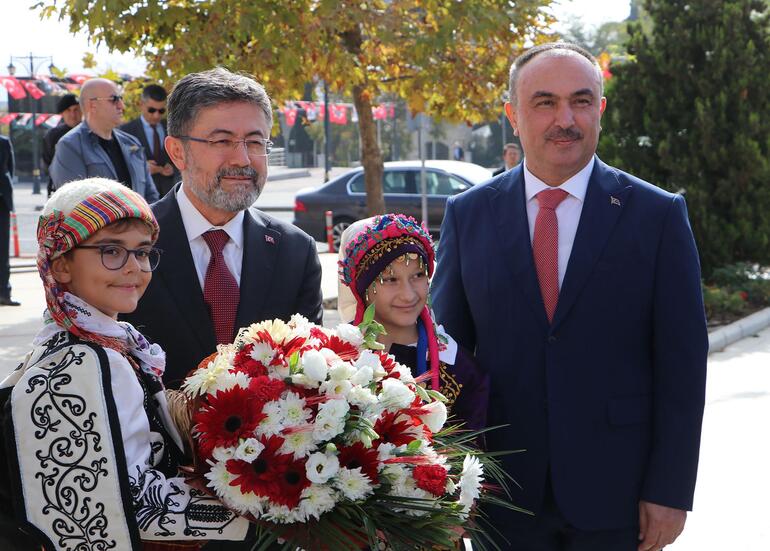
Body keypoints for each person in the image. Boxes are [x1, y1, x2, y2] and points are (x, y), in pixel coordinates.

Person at [431, 42, 708, 551]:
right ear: (513, 115)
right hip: (501, 494)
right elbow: (449, 361)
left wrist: (670, 490)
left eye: (581, 101)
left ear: (600, 109)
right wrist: (443, 486)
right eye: (545, 102)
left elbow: (682, 366)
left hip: (619, 497)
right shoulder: (468, 214)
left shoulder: (656, 215)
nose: (566, 119)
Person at [0, 178, 249, 550]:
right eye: (112, 251)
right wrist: (263, 510)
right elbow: (128, 505)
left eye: (143, 251)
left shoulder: (106, 345)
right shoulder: (84, 362)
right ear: (62, 264)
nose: (134, 266)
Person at [123, 67, 323, 394]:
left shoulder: (295, 252)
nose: (243, 158)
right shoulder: (128, 246)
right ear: (177, 152)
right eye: (222, 141)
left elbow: (307, 376)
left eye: (255, 142)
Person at [338, 213, 488, 431]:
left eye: (418, 275)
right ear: (363, 289)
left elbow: (472, 456)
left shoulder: (461, 370)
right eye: (390, 279)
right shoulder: (335, 361)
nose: (408, 295)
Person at [50, 78, 159, 202]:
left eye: (120, 99)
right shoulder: (70, 146)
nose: (121, 106)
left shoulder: (132, 143)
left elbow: (151, 197)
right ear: (92, 105)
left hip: (141, 221)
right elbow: (74, 205)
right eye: (114, 99)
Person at [121, 84, 179, 197]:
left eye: (161, 111)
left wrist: (174, 168)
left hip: (170, 194)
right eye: (151, 110)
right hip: (141, 195)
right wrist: (141, 166)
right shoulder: (126, 131)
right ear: (141, 105)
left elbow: (183, 155)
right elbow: (121, 163)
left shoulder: (173, 128)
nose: (156, 115)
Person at [42, 93, 82, 197]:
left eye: (76, 109)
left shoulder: (91, 133)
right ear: (62, 113)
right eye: (68, 110)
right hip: (59, 188)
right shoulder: (52, 135)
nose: (73, 114)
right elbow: (47, 161)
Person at [0, 135, 18, 306]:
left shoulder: (4, 141)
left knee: (3, 250)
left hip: (2, 203)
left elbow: (10, 170)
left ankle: (4, 293)